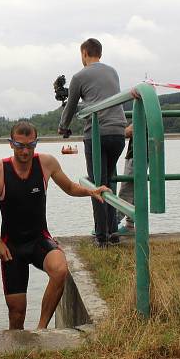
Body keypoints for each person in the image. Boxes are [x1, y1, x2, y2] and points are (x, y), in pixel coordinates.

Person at [0, 121, 109, 329]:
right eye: (20, 145)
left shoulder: (46, 163)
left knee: (60, 270)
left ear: (36, 142)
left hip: (38, 239)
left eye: (30, 145)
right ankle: (17, 348)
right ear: (10, 143)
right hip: (11, 246)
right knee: (17, 312)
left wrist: (91, 191)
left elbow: (69, 187)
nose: (25, 151)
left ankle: (41, 330)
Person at [58, 38, 126, 247]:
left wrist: (63, 127)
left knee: (97, 184)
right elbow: (100, 97)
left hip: (97, 133)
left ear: (85, 53)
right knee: (109, 180)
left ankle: (101, 236)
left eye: (81, 55)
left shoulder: (79, 76)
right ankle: (113, 231)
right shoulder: (113, 71)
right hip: (118, 132)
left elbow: (70, 107)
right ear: (100, 54)